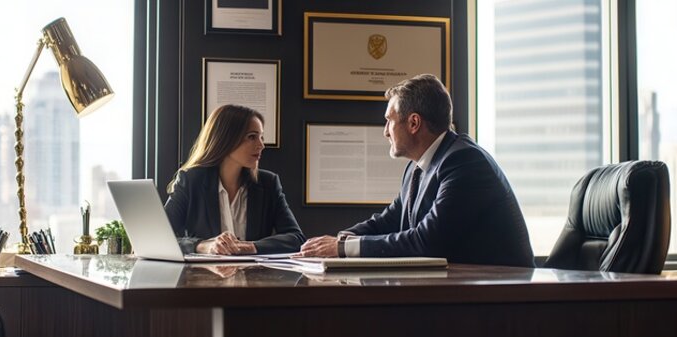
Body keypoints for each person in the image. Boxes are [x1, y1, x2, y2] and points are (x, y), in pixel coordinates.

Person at [299, 74, 535, 267]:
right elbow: (388, 221)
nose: (385, 132)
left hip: (502, 298)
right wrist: (337, 240)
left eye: (389, 121)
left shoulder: (465, 162)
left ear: (413, 123)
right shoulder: (417, 167)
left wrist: (342, 248)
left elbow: (427, 241)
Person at [164, 104, 305, 255]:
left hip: (255, 277)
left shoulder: (268, 183)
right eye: (252, 137)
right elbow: (161, 238)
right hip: (202, 276)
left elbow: (296, 238)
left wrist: (251, 247)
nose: (261, 145)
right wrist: (203, 246)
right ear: (227, 139)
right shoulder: (191, 181)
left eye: (261, 137)